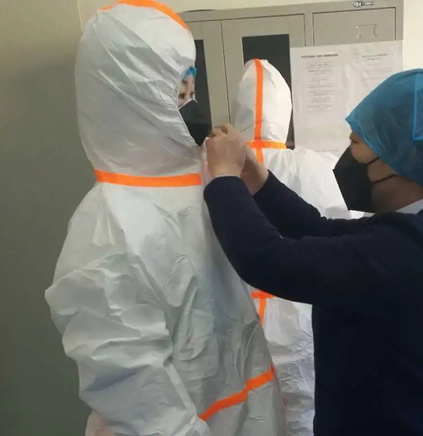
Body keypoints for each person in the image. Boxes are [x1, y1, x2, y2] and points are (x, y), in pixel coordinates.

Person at [203, 68, 423, 435]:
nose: (347, 155)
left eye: (356, 142)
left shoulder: (411, 247)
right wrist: (254, 177)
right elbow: (319, 229)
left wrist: (225, 177)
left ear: (395, 159)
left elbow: (268, 261)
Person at [45, 2, 284, 436]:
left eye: (191, 90)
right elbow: (140, 398)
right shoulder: (108, 228)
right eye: (178, 96)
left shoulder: (205, 184)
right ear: (129, 103)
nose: (192, 108)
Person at [232, 58, 351, 435]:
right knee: (304, 409)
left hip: (237, 314)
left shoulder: (212, 166)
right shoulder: (312, 165)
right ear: (284, 110)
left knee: (246, 411)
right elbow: (338, 233)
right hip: (299, 312)